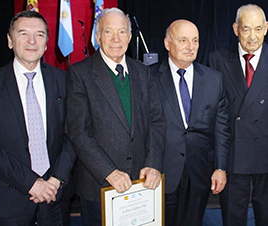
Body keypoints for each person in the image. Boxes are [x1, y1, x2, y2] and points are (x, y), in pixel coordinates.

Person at [0, 11, 75, 226]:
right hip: (10, 198)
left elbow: (73, 137)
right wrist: (32, 183)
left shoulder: (65, 81)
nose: (31, 41)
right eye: (23, 34)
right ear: (10, 41)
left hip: (55, 195)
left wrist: (55, 180)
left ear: (46, 43)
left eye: (39, 35)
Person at [66, 7, 166, 225]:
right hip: (99, 186)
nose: (116, 39)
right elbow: (78, 132)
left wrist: (153, 163)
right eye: (109, 31)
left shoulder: (143, 72)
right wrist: (108, 171)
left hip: (141, 183)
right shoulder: (80, 74)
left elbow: (156, 122)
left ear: (130, 37)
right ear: (98, 36)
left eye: (122, 32)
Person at [150, 19, 230, 226]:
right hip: (160, 173)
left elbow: (222, 128)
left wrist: (220, 168)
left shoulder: (214, 80)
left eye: (195, 40)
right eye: (183, 40)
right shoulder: (148, 78)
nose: (190, 46)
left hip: (199, 173)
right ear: (167, 44)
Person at [208, 4, 268, 226]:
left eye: (258, 29)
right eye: (246, 29)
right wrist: (219, 164)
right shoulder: (217, 60)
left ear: (266, 29)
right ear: (235, 29)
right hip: (233, 157)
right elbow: (216, 118)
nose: (252, 36)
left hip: (266, 153)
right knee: (232, 219)